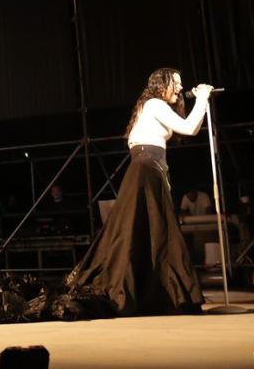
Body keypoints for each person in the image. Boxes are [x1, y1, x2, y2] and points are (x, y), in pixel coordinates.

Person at [65, 68, 212, 314]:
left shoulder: (152, 106)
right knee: (151, 228)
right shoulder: (154, 104)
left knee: (148, 229)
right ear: (160, 84)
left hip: (151, 167)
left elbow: (187, 126)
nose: (179, 87)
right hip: (147, 167)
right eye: (175, 82)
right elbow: (188, 128)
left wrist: (199, 101)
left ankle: (153, 289)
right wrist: (203, 98)